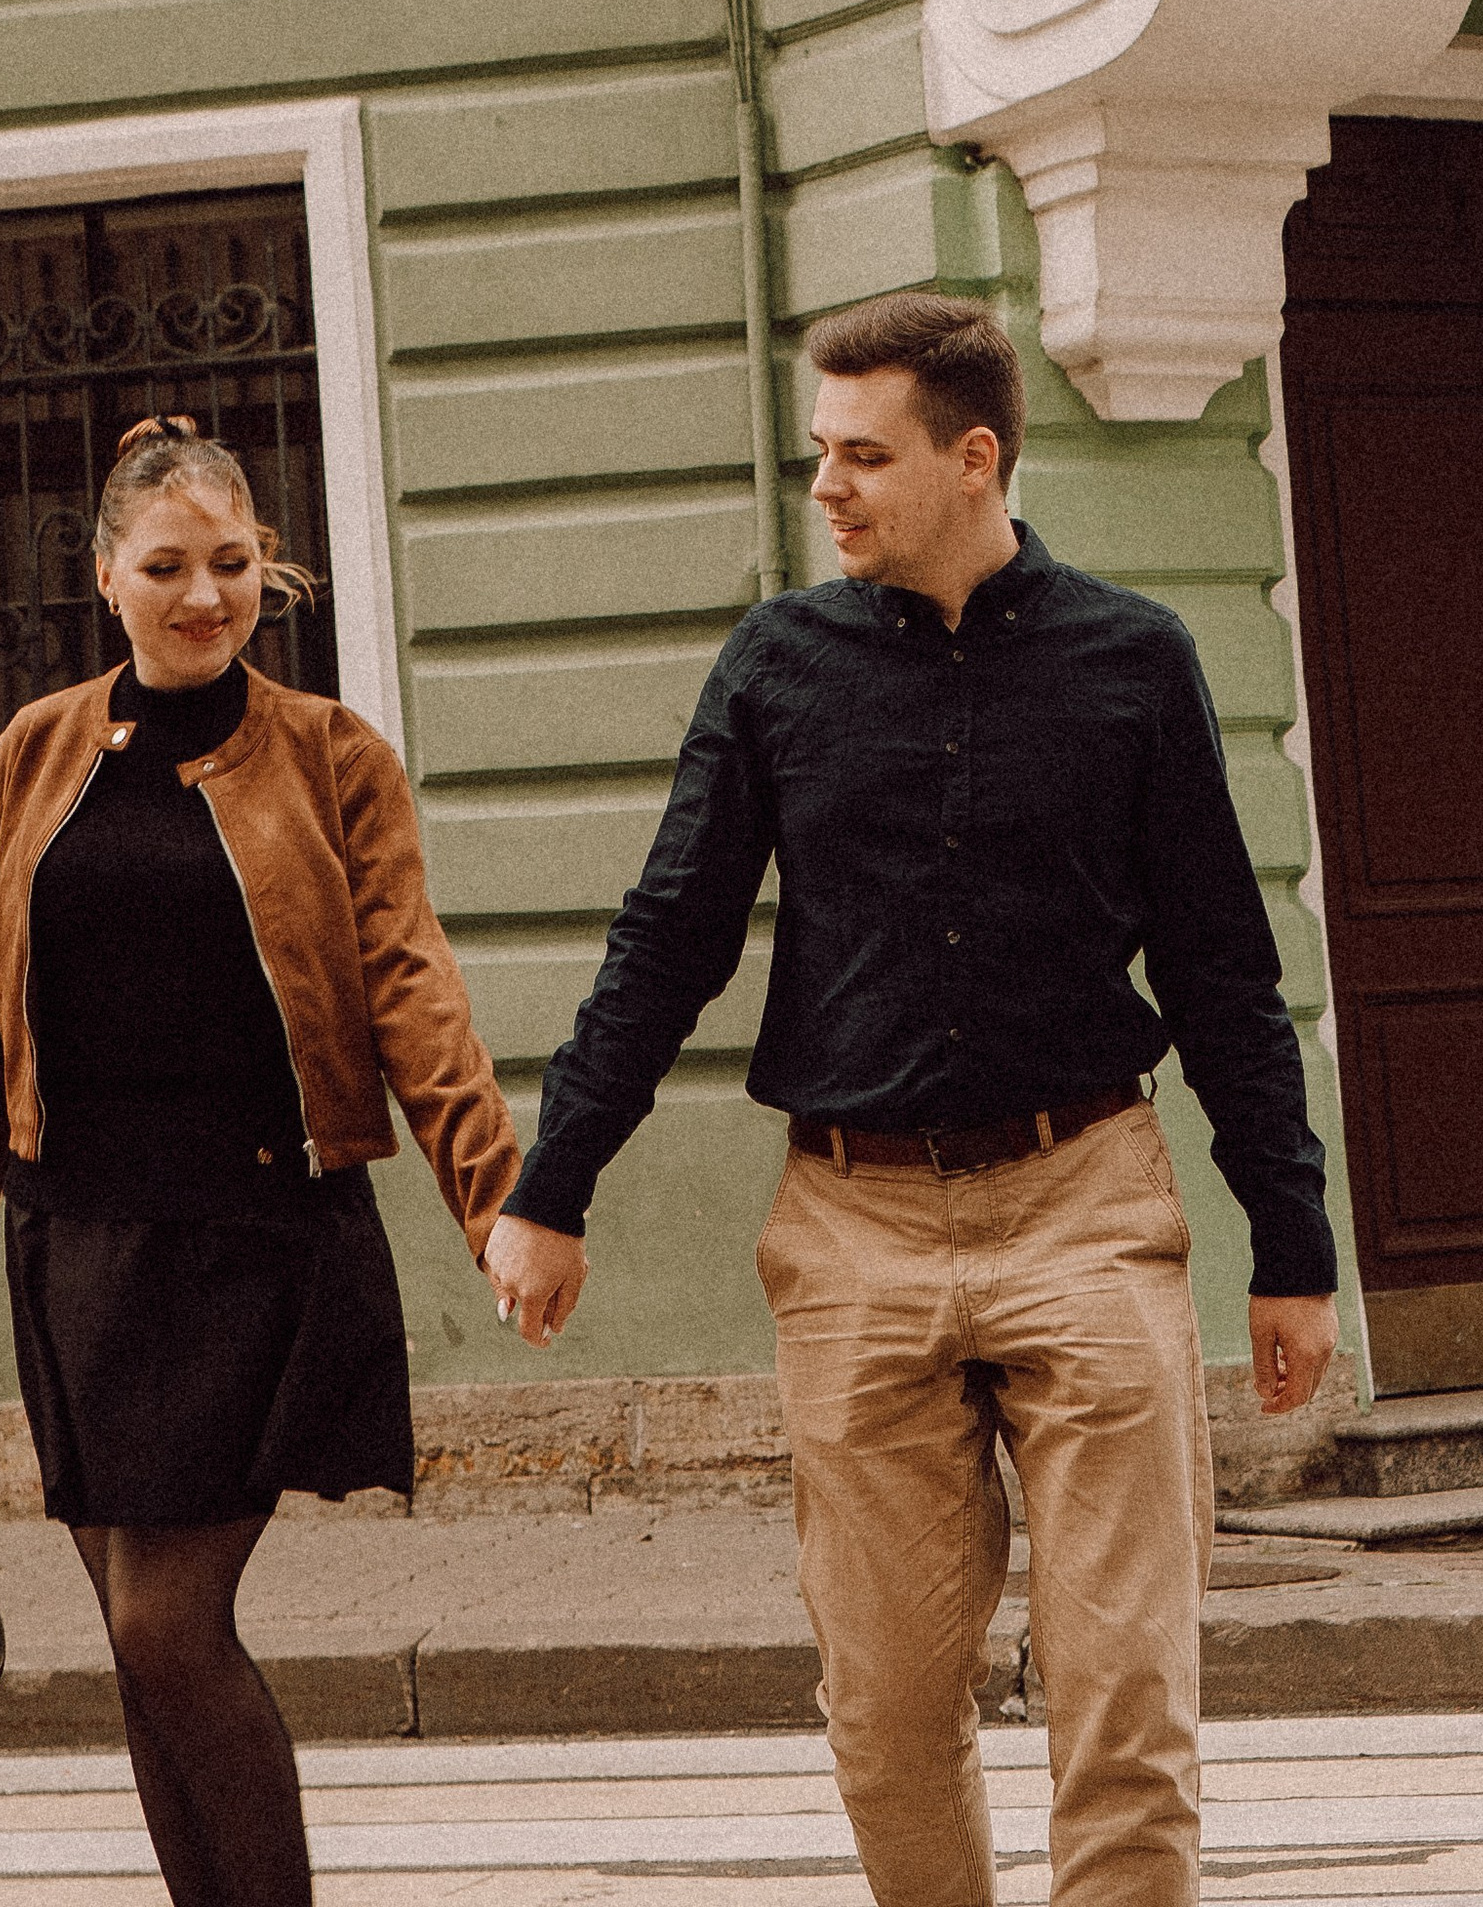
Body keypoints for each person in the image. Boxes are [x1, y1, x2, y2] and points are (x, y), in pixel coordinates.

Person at [483, 292, 1339, 1907]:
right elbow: (670, 935)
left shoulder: (1133, 661)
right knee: (882, 1716)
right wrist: (554, 1183)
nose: (829, 487)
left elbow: (1225, 967)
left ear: (975, 457)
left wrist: (1290, 1246)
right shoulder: (778, 667)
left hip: (1084, 1204)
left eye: (863, 455)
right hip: (854, 1225)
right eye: (822, 453)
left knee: (1127, 1707)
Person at [0, 414, 518, 1907]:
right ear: (106, 575)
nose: (202, 595)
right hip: (78, 1244)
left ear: (265, 571)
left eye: (231, 563)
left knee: (170, 1625)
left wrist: (493, 1195)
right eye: (166, 565)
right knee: (133, 1645)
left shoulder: (332, 756)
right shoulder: (39, 747)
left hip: (253, 1236)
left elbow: (411, 987)